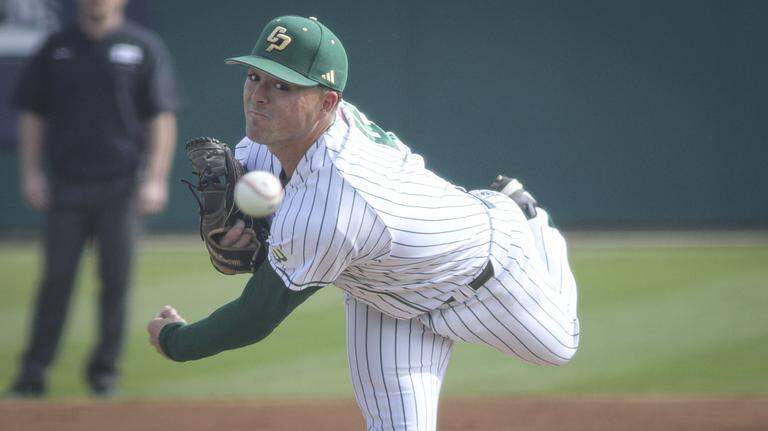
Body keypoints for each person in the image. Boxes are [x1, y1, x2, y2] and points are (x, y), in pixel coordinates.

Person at [148, 15, 579, 430]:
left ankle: (527, 215)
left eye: (282, 86)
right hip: (380, 291)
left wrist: (175, 341)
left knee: (560, 347)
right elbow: (260, 226)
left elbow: (255, 316)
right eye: (254, 76)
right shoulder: (271, 142)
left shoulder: (336, 201)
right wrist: (239, 236)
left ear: (327, 102)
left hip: (485, 269)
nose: (259, 95)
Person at [9, 0, 179, 397]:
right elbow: (32, 114)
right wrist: (32, 173)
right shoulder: (55, 47)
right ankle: (32, 376)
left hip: (120, 186)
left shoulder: (142, 47)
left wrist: (156, 178)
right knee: (55, 281)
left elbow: (161, 116)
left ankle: (104, 375)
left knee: (116, 282)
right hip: (66, 185)